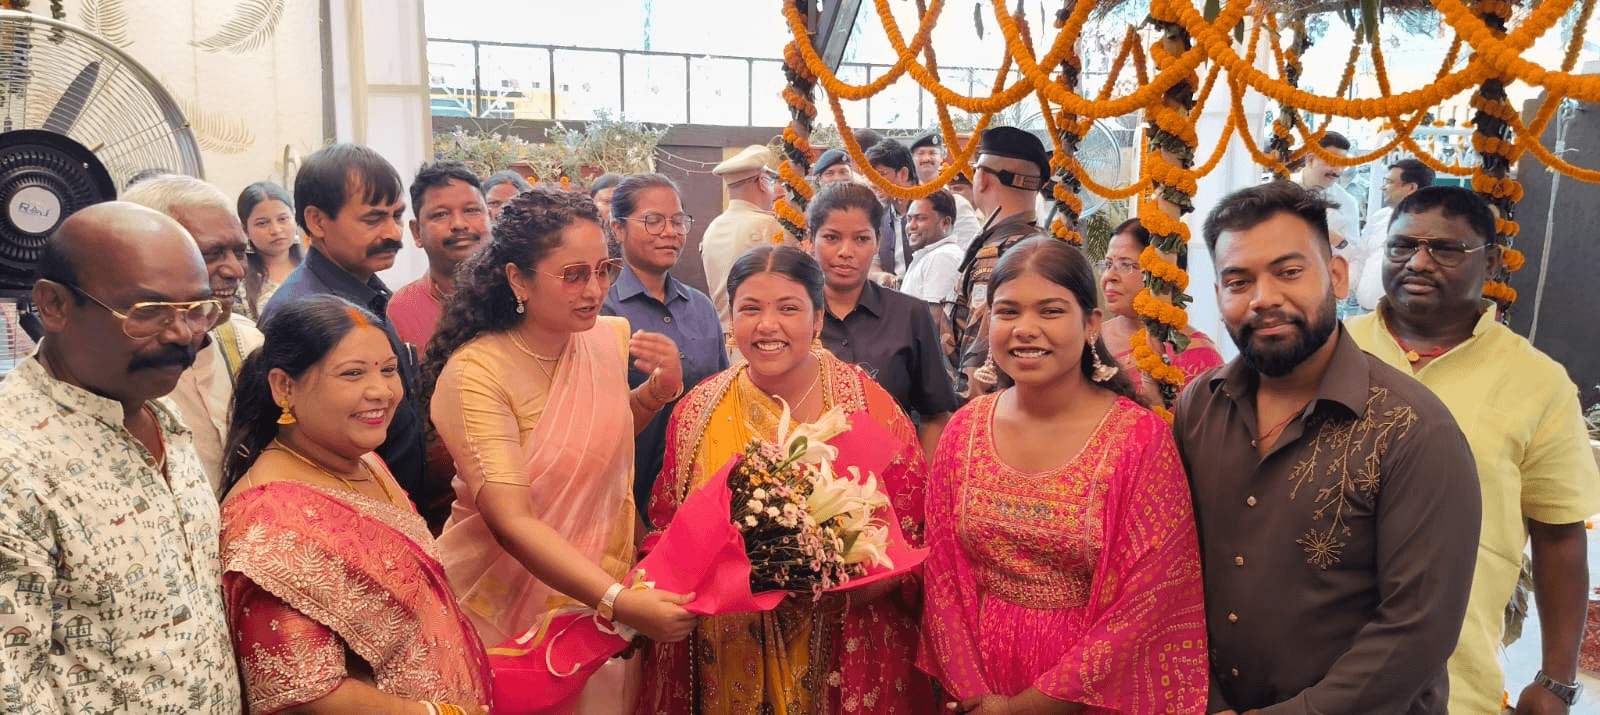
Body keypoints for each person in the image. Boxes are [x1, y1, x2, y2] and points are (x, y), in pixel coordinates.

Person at [1176, 181, 1481, 714]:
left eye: (1289, 272)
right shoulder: (1200, 406)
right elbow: (1174, 571)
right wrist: (1207, 700)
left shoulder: (1414, 431)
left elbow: (1416, 631)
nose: (1264, 297)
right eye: (1238, 281)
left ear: (1337, 276)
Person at [424, 188, 696, 713]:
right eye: (573, 275)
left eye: (604, 270)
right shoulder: (477, 373)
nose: (594, 290)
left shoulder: (605, 340)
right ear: (518, 279)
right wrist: (619, 602)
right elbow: (511, 521)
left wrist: (654, 395)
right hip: (501, 602)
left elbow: (597, 441)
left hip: (598, 589)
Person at [635, 245, 938, 715]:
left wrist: (836, 587)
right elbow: (667, 527)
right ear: (730, 319)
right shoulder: (697, 411)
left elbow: (912, 535)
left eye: (788, 309)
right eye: (750, 309)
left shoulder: (866, 408)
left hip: (839, 648)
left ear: (818, 319)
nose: (767, 325)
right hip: (724, 649)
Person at [919, 237, 1208, 715]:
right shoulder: (964, 430)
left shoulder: (1138, 440)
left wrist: (1025, 708)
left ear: (1091, 323)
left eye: (1050, 311)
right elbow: (941, 572)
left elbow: (1149, 599)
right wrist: (972, 691)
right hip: (978, 685)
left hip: (1092, 693)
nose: (1025, 330)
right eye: (1008, 312)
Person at [1346, 186, 1600, 715]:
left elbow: (1559, 535)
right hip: (1307, 674)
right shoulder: (1330, 353)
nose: (1418, 262)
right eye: (1402, 246)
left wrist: (1556, 681)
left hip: (1453, 683)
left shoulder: (1537, 382)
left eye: (1445, 249)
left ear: (1491, 261)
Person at [0, 202, 240, 712]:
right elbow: (14, 690)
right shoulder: (14, 461)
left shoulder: (160, 413)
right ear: (54, 305)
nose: (182, 335)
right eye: (148, 313)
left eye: (197, 311)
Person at [219, 295, 491, 715]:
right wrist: (436, 713)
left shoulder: (365, 461)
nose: (381, 391)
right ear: (284, 387)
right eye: (353, 373)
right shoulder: (269, 524)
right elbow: (303, 694)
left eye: (389, 370)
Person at [262, 143, 437, 524]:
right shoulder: (303, 311)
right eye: (373, 219)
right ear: (317, 222)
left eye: (397, 216)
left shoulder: (369, 292)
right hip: (346, 518)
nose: (393, 233)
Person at [124, 175, 266, 493]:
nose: (236, 270)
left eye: (240, 251)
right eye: (212, 254)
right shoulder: (111, 367)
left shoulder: (250, 344)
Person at [601, 173, 728, 521]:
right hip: (625, 502)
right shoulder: (602, 311)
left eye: (678, 221)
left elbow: (723, 396)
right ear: (617, 228)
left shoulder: (701, 307)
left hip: (702, 499)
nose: (670, 232)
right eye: (653, 221)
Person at [809, 182, 957, 458]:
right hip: (803, 479)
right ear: (810, 240)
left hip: (894, 476)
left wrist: (919, 478)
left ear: (877, 241)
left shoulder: (910, 315)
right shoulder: (794, 317)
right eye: (831, 238)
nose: (846, 251)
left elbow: (936, 415)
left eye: (861, 239)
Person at [951, 126, 1052, 399]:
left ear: (982, 179)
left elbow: (978, 362)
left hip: (991, 409)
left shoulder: (998, 254)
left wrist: (967, 413)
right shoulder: (1044, 247)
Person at [1097, 218, 1224, 406]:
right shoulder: (1090, 338)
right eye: (1108, 265)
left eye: (1125, 265)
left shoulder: (1196, 354)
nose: (1109, 276)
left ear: (1160, 272)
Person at [391, 161, 489, 349]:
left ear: (491, 218)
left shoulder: (521, 298)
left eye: (471, 210)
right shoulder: (397, 313)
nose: (459, 224)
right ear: (417, 232)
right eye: (441, 214)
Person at [700, 144, 782, 334]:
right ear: (762, 182)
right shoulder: (769, 225)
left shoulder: (712, 228)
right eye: (770, 181)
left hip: (722, 334)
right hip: (761, 333)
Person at [1354, 158, 1435, 310]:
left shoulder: (1432, 225)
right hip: (1363, 313)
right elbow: (1360, 257)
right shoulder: (1378, 217)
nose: (1382, 187)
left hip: (1403, 316)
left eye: (1389, 182)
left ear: (1411, 187)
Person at [237, 180, 303, 319]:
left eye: (283, 219)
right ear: (245, 230)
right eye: (262, 223)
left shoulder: (319, 266)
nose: (276, 230)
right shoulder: (239, 283)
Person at [1297, 131, 1361, 261]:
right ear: (1311, 160)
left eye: (1342, 164)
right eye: (1332, 162)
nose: (1338, 171)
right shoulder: (1278, 190)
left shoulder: (1347, 203)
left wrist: (1333, 237)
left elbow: (1353, 257)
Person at [900, 188, 967, 304]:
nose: (911, 226)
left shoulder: (942, 257)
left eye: (920, 218)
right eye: (909, 219)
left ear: (945, 223)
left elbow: (935, 315)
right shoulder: (930, 256)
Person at [863, 139, 918, 278]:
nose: (873, 183)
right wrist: (883, 278)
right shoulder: (879, 215)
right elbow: (873, 264)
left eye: (881, 174)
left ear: (903, 174)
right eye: (870, 176)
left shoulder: (938, 208)